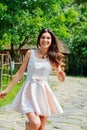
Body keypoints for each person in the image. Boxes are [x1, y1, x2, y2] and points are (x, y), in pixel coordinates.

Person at [0, 28, 66, 130]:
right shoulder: (30, 53)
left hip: (43, 93)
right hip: (29, 92)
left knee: (41, 127)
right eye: (43, 37)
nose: (45, 40)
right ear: (39, 39)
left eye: (48, 38)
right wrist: (7, 90)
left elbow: (59, 75)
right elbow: (20, 73)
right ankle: (28, 126)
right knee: (35, 124)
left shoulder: (54, 56)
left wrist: (61, 75)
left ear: (51, 40)